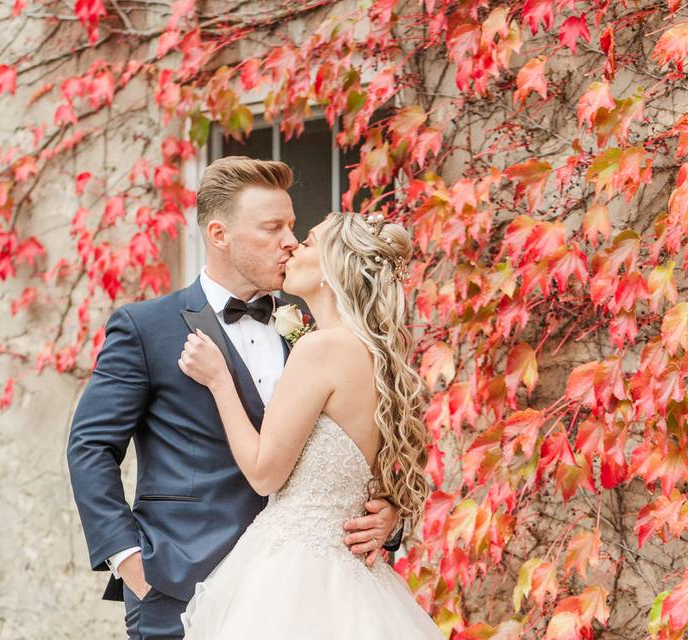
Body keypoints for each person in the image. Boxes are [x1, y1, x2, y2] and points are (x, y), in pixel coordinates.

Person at [66, 157, 403, 640]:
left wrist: (387, 516)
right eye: (272, 227)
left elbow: (365, 444)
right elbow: (90, 449)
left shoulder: (313, 327)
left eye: (292, 226)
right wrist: (130, 563)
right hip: (181, 588)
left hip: (304, 595)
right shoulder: (146, 328)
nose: (290, 239)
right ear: (219, 234)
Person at [177, 211, 444, 638]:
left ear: (334, 266)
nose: (293, 247)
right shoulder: (377, 358)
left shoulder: (320, 349)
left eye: (309, 241)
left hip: (293, 575)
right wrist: (390, 511)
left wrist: (219, 381)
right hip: (354, 580)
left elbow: (265, 475)